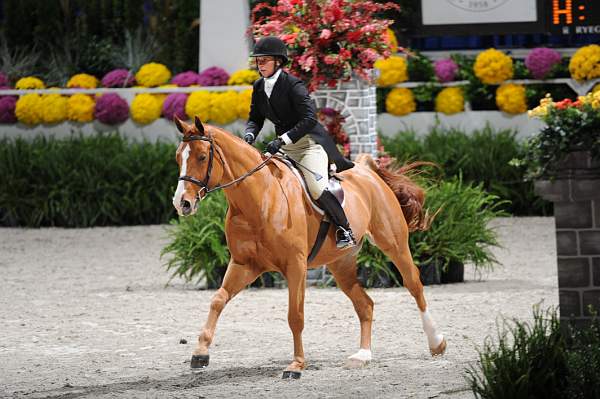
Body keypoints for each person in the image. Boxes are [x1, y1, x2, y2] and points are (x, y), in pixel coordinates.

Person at [244, 36, 356, 249]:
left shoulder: (293, 85)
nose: (260, 65)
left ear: (278, 61)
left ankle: (345, 230)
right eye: (258, 61)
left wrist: (282, 139)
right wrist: (250, 135)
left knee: (316, 187)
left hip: (308, 146)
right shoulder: (259, 86)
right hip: (283, 150)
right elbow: (255, 118)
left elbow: (309, 119)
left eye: (264, 60)